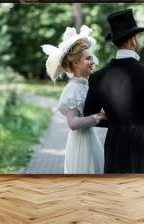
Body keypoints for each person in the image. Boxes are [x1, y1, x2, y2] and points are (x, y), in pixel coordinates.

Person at [83, 9, 144, 174]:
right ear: (134, 40)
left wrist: (116, 121)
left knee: (118, 196)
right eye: (138, 38)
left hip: (115, 145)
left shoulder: (97, 77)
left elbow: (89, 114)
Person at [41, 25, 105, 174]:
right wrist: (99, 116)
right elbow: (73, 123)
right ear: (75, 63)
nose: (92, 61)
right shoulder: (72, 90)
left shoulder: (86, 85)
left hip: (91, 139)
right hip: (81, 144)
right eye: (88, 58)